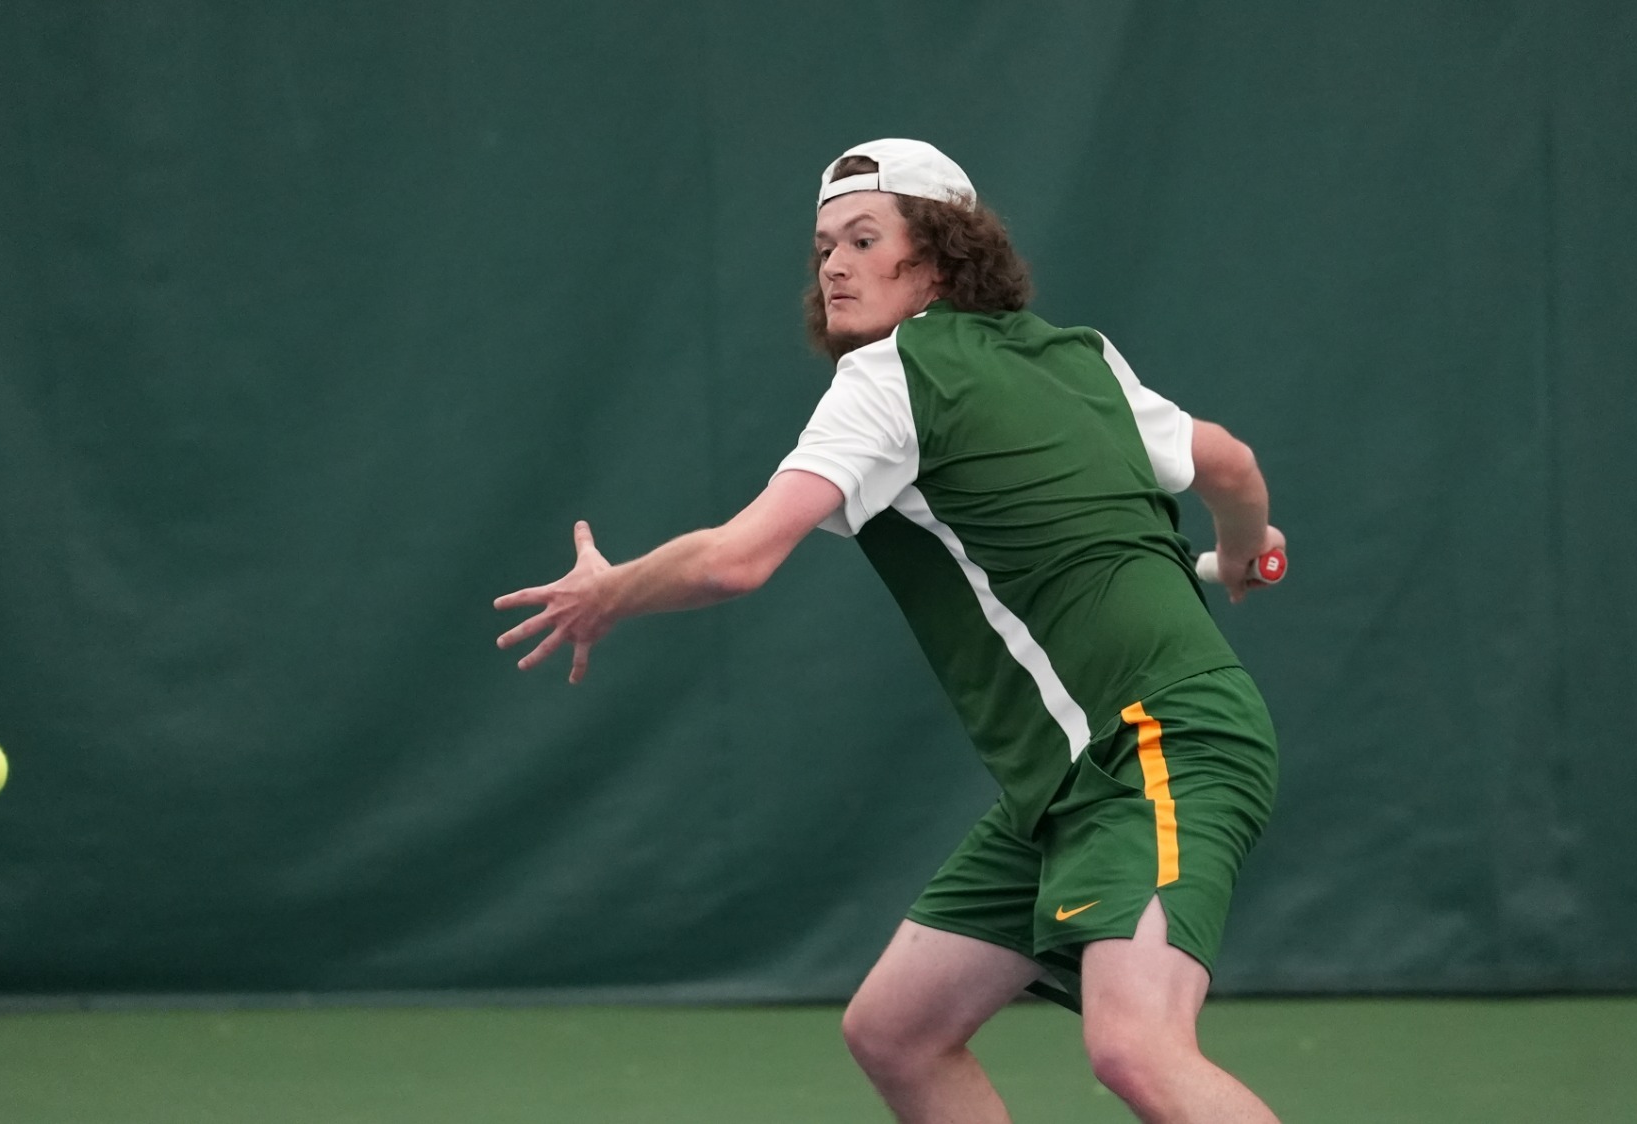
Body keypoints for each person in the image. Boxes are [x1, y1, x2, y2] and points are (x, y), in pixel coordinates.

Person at [496, 138, 1285, 1124]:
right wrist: (1245, 547)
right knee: (897, 1031)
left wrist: (611, 592)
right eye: (824, 246)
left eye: (864, 239)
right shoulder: (1078, 359)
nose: (833, 264)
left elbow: (736, 558)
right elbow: (1229, 462)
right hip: (1069, 776)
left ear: (944, 253)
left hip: (1156, 740)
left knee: (1134, 1044)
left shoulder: (885, 378)